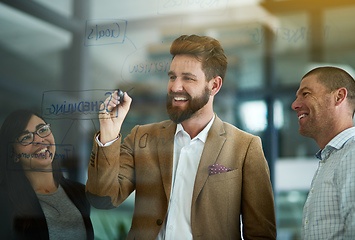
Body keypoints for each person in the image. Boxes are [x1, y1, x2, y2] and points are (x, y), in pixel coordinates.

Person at [86, 34, 276, 239]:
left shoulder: (246, 147)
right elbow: (102, 198)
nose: (175, 87)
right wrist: (108, 132)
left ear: (214, 85)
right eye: (172, 77)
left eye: (188, 78)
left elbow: (260, 233)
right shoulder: (142, 138)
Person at [0, 109, 94, 240]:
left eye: (42, 129)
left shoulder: (79, 192)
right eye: (26, 137)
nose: (39, 140)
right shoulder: (5, 203)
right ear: (14, 155)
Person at [291, 66, 355, 239]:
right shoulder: (332, 158)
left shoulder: (352, 155)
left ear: (339, 97)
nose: (294, 105)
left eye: (305, 94)